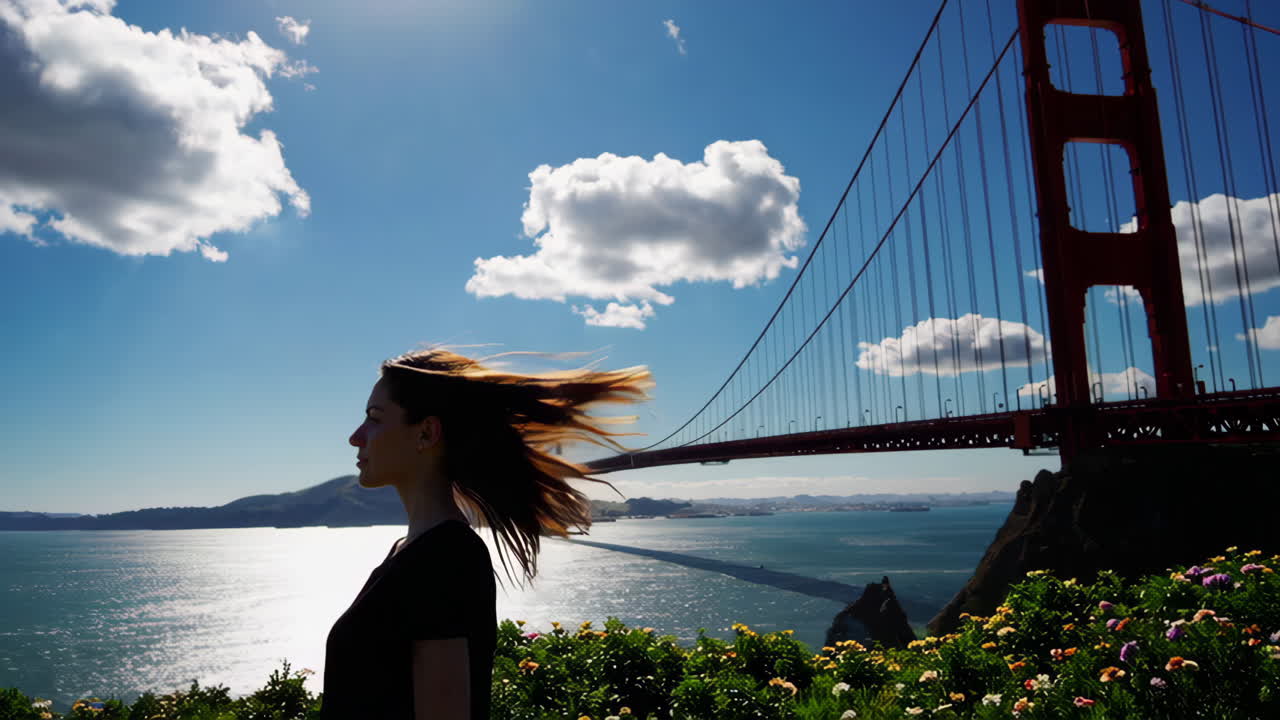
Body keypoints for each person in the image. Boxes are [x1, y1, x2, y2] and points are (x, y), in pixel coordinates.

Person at [320, 347, 651, 719]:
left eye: (374, 419)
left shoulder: (446, 558)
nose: (355, 436)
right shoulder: (410, 551)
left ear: (427, 433)